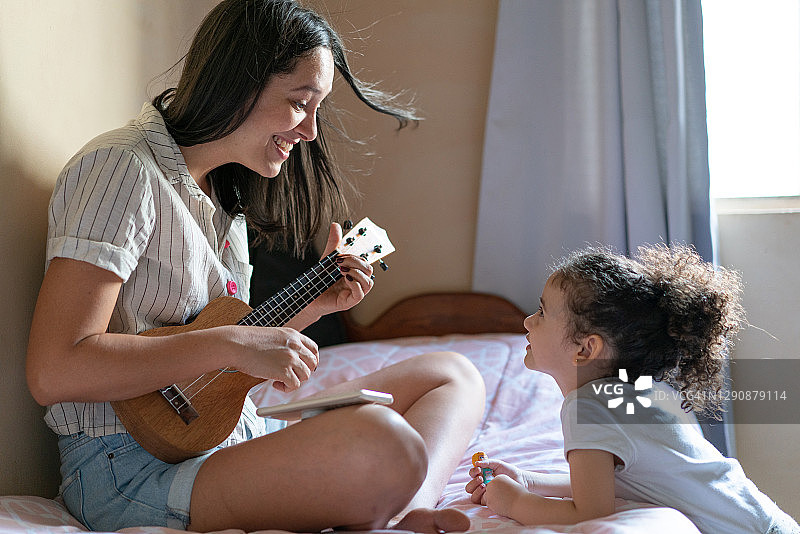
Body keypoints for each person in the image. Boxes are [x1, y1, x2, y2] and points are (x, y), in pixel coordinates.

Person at [26, 1, 484, 532]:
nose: (311, 131)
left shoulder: (225, 197)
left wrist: (318, 304)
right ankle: (389, 499)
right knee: (384, 441)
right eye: (299, 103)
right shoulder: (121, 169)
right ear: (239, 83)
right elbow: (53, 370)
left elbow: (220, 365)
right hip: (130, 469)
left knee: (452, 374)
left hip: (228, 440)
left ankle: (409, 511)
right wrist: (229, 344)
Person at [465, 244, 799, 534]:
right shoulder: (642, 391)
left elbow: (591, 512)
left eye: (541, 312)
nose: (527, 321)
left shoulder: (587, 407)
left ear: (584, 349)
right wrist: (528, 479)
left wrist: (514, 502)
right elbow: (608, 484)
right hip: (765, 520)